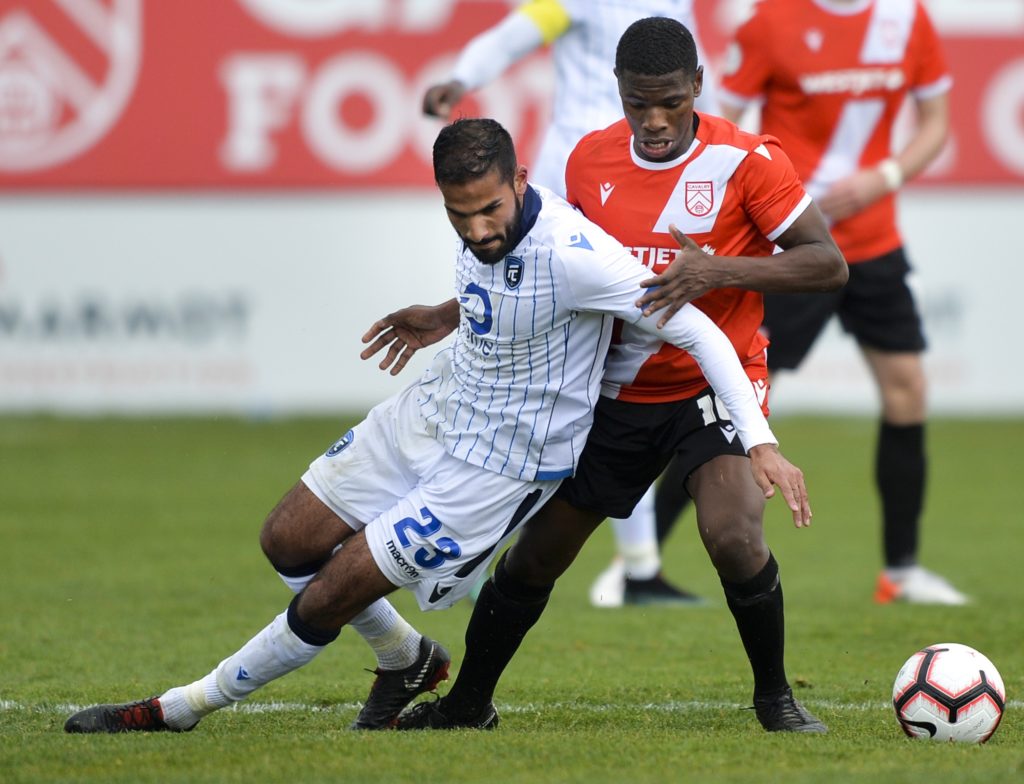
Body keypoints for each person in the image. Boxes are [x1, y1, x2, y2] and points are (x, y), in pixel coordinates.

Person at [63, 118, 810, 735]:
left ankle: (180, 709)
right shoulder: (480, 225)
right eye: (461, 215)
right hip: (435, 408)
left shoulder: (580, 255)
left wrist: (761, 441)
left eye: (492, 210)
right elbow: (508, 292)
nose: (480, 229)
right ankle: (407, 658)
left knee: (331, 593)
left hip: (497, 466)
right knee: (285, 540)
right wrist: (447, 314)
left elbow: (700, 333)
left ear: (521, 184)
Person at [386, 18, 848, 732]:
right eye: (638, 103)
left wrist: (717, 270)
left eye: (670, 100)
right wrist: (454, 311)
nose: (655, 121)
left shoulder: (748, 161)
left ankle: (776, 701)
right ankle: (468, 704)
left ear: (697, 84)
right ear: (619, 93)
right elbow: (555, 268)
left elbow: (827, 263)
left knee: (732, 534)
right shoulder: (589, 161)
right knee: (537, 557)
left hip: (709, 383)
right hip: (615, 390)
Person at [424, 0, 720, 607]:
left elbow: (698, 84)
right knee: (527, 380)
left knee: (614, 379)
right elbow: (521, 31)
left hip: (648, 177)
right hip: (582, 184)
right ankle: (461, 537)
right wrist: (464, 77)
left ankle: (636, 565)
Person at [707, 0, 967, 605]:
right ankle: (644, 568)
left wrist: (887, 178)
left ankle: (900, 572)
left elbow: (936, 123)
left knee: (907, 387)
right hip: (797, 247)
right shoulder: (771, 21)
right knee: (734, 398)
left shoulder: (907, 19)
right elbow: (723, 124)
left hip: (876, 242)